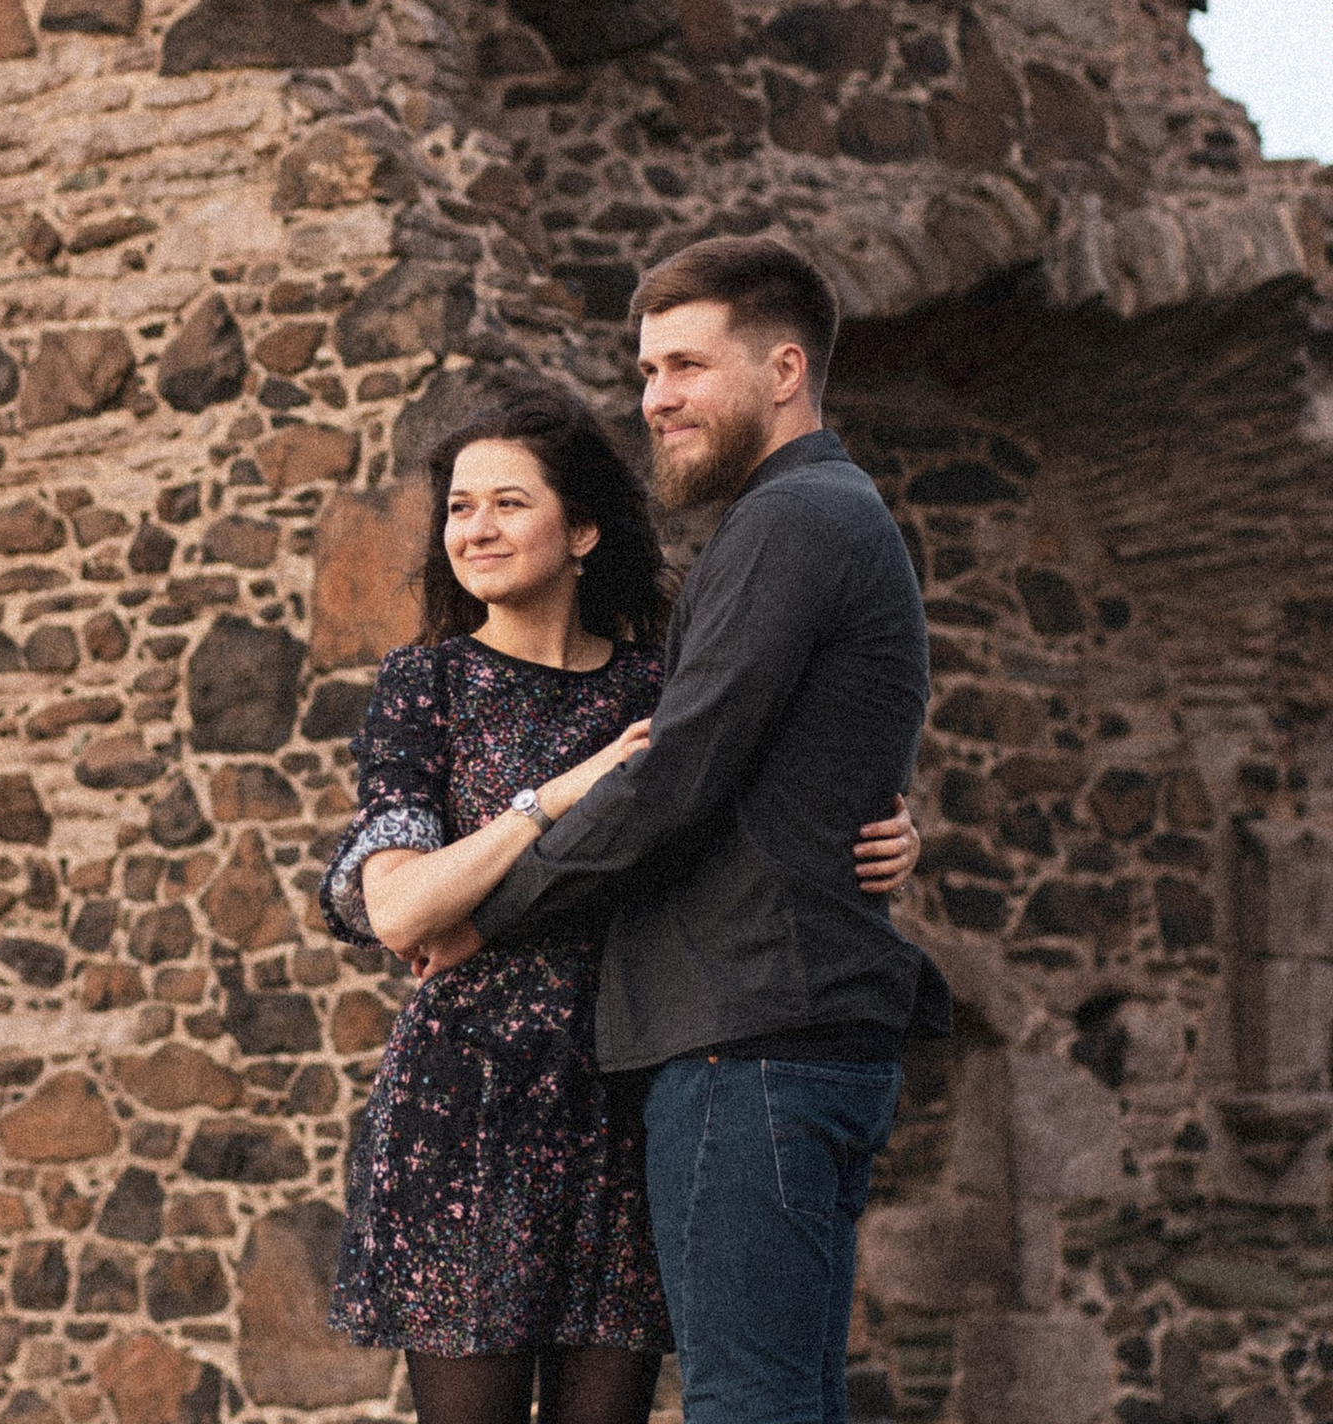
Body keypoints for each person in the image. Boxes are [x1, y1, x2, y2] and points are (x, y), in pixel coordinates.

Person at [317, 386, 920, 1424]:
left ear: (583, 527)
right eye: (458, 508)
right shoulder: (428, 684)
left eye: (507, 502)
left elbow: (752, 802)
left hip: (626, 1099)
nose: (475, 528)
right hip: (467, 1111)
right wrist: (544, 800)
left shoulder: (658, 686)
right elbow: (400, 908)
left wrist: (888, 833)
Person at [468, 235, 952, 1424]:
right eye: (644, 372)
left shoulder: (791, 521)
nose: (655, 400)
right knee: (785, 1404)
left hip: (751, 1045)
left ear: (784, 368)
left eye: (685, 366)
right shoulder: (819, 517)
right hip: (783, 1037)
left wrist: (487, 909)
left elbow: (678, 774)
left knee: (749, 1407)